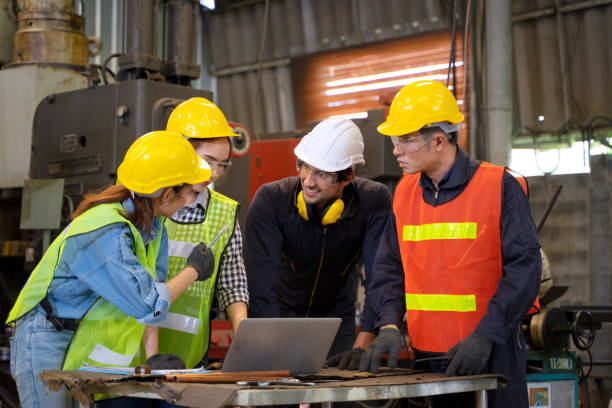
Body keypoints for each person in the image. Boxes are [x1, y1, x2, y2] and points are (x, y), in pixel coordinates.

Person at [359, 80, 541, 408]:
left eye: (405, 140)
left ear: (440, 140)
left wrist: (486, 336)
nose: (395, 149)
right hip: (426, 362)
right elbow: (390, 266)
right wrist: (388, 324)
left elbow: (524, 270)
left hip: (489, 354)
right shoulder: (403, 193)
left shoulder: (500, 187)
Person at [6, 131, 215, 408]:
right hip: (45, 335)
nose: (192, 201)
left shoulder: (153, 228)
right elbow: (149, 304)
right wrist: (193, 270)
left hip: (79, 334)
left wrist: (153, 360)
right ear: (166, 195)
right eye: (191, 192)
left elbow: (151, 292)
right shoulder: (107, 230)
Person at [244, 117, 393, 363]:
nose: (309, 181)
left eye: (322, 174)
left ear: (347, 178)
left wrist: (365, 339)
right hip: (278, 317)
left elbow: (380, 274)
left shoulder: (374, 201)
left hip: (335, 323)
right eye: (305, 167)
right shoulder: (272, 200)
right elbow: (261, 283)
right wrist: (268, 343)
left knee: (340, 396)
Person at [156, 97, 248, 368]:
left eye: (223, 164)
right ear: (179, 151)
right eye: (208, 160)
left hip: (190, 357)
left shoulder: (224, 213)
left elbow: (233, 283)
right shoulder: (146, 203)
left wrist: (243, 335)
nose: (215, 172)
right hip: (130, 353)